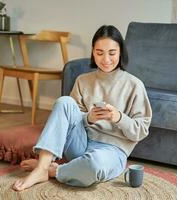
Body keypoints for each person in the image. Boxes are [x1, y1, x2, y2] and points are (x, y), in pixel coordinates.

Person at [12, 25, 152, 191]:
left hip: (112, 151)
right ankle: (42, 168)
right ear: (93, 52)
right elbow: (71, 121)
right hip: (81, 143)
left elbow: (141, 130)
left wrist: (118, 118)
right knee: (64, 102)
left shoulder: (134, 85)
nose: (106, 59)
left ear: (121, 52)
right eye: (99, 53)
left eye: (112, 53)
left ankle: (54, 170)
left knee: (94, 165)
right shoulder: (83, 80)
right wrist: (89, 118)